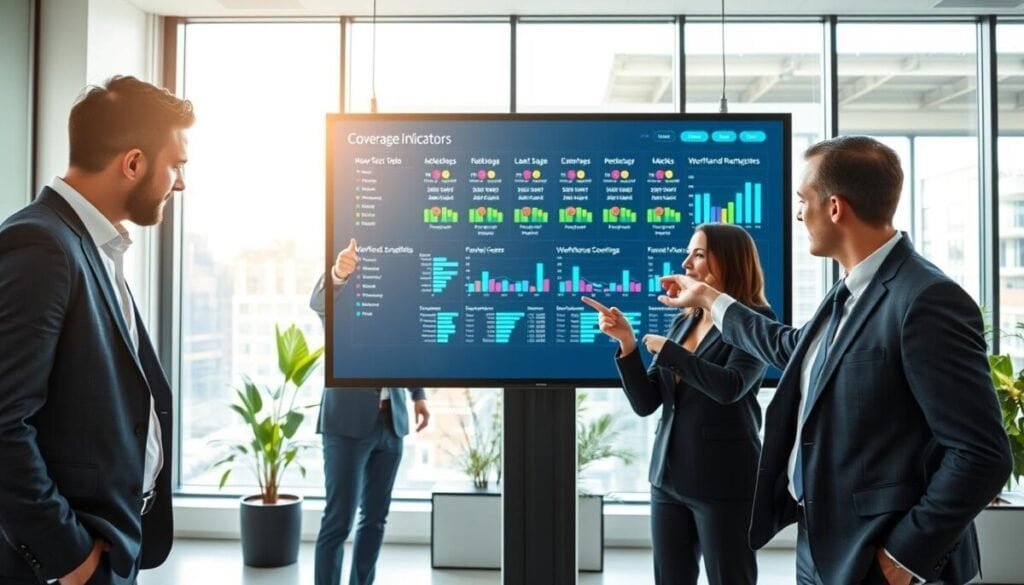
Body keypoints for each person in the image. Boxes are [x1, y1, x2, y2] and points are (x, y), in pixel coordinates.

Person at [657, 136, 1012, 585]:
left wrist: (901, 560)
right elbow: (791, 349)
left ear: (836, 207)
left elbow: (982, 455)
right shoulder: (848, 291)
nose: (799, 213)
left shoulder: (926, 299)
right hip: (824, 544)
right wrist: (709, 298)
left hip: (879, 557)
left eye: (804, 200)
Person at [0, 76, 192, 585]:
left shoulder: (92, 244)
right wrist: (70, 556)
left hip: (113, 539)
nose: (181, 182)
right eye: (175, 164)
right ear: (132, 163)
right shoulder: (43, 247)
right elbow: (2, 420)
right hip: (70, 558)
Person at [582, 223, 771, 585]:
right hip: (668, 480)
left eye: (698, 254)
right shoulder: (686, 320)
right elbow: (646, 402)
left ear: (729, 261)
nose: (686, 263)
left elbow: (730, 387)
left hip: (724, 484)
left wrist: (669, 352)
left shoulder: (756, 319)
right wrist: (627, 344)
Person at [312, 237, 430, 585]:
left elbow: (408, 355)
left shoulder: (397, 311)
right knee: (339, 521)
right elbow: (319, 302)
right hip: (346, 426)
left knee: (376, 519)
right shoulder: (340, 307)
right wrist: (337, 273)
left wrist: (418, 396)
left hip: (390, 424)